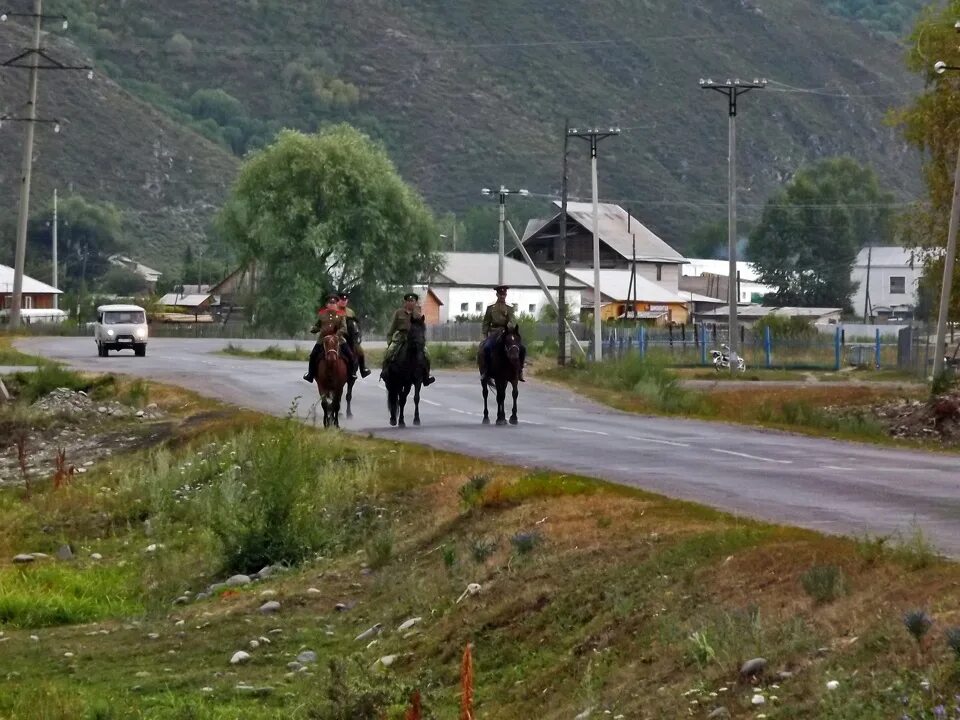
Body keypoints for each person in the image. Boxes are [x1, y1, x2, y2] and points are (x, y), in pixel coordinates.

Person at [381, 292, 435, 386]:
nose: (410, 303)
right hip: (400, 337)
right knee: (389, 352)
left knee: (427, 354)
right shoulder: (399, 313)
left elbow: (421, 329)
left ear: (415, 302)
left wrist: (421, 340)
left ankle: (426, 376)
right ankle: (385, 372)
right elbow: (392, 328)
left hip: (414, 340)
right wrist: (389, 341)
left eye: (412, 301)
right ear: (405, 302)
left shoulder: (418, 315)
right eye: (408, 301)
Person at [480, 285, 526, 382]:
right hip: (493, 332)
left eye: (504, 294)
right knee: (487, 347)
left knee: (522, 348)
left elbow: (513, 319)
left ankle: (519, 371)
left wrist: (510, 325)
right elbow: (486, 322)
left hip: (506, 332)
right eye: (500, 294)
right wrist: (485, 334)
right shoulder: (491, 307)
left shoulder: (509, 307)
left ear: (506, 295)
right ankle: (486, 371)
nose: (502, 296)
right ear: (497, 295)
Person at [303, 294, 352, 383]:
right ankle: (310, 375)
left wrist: (336, 335)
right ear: (327, 304)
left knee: (350, 355)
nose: (332, 304)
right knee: (313, 355)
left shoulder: (341, 315)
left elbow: (344, 328)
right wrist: (314, 329)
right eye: (330, 302)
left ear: (337, 304)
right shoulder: (322, 314)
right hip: (323, 339)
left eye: (334, 302)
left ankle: (351, 375)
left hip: (338, 339)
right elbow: (318, 326)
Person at [337, 292, 371, 378]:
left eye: (345, 300)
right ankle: (313, 371)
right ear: (338, 300)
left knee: (360, 351)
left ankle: (363, 369)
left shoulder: (350, 312)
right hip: (337, 336)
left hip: (350, 337)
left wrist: (358, 335)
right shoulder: (334, 310)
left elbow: (356, 324)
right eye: (341, 300)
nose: (343, 302)